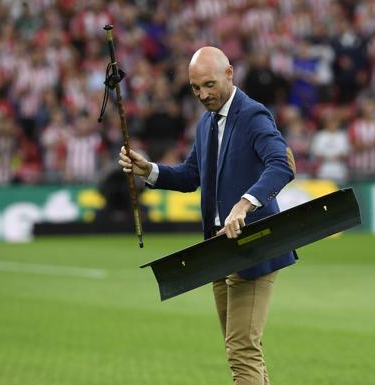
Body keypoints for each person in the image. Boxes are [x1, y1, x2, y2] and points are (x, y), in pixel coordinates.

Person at [118, 46, 297, 385]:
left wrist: (245, 204)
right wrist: (149, 170)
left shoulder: (253, 115)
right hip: (218, 250)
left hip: (254, 247)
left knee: (241, 350)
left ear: (230, 74)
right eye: (195, 88)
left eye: (209, 85)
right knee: (245, 351)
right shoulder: (206, 123)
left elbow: (281, 165)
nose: (202, 94)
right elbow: (191, 176)